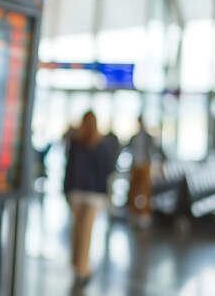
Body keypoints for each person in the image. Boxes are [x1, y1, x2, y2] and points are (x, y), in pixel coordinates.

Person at [63, 111, 115, 286]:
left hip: (76, 194)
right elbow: (107, 171)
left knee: (77, 230)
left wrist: (67, 190)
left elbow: (69, 169)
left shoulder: (76, 143)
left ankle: (77, 264)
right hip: (93, 195)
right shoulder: (102, 145)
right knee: (86, 233)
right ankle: (82, 269)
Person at [126, 117, 160, 228]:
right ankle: (134, 212)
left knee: (145, 190)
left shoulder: (148, 137)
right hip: (135, 164)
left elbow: (156, 149)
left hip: (145, 165)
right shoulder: (133, 137)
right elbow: (127, 149)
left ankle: (144, 214)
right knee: (133, 189)